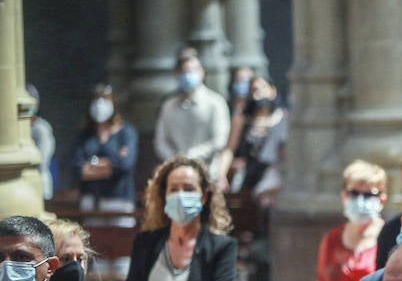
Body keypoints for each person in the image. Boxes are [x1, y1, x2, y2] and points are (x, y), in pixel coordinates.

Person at [309, 159, 386, 281]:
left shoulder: (389, 237)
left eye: (368, 195)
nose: (360, 201)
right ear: (344, 196)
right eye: (354, 194)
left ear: (381, 198)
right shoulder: (331, 239)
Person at [153, 50, 231, 179]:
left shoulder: (216, 103)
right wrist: (177, 160)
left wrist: (192, 156)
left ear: (202, 72)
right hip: (175, 173)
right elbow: (161, 141)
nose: (188, 75)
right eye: (184, 71)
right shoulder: (168, 106)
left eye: (193, 70)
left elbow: (219, 140)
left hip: (207, 174)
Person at [68, 84, 138, 225]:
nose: (99, 105)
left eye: (105, 100)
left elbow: (124, 165)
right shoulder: (85, 135)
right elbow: (77, 168)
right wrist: (108, 165)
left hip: (119, 201)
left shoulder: (126, 132)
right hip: (91, 202)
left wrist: (91, 164)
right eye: (96, 101)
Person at [220, 77, 288, 205]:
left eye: (263, 88)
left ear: (272, 90)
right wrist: (222, 175)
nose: (259, 94)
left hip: (272, 174)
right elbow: (229, 148)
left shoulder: (283, 119)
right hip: (246, 174)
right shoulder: (243, 120)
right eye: (254, 90)